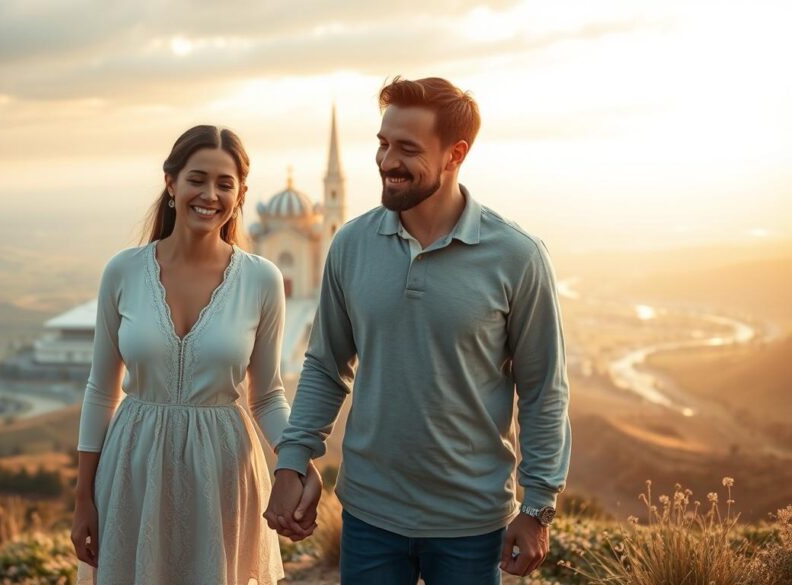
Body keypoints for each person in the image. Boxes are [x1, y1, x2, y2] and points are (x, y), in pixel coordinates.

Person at [264, 77, 572, 584]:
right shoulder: (351, 244)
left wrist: (538, 507)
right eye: (384, 143)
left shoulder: (517, 256)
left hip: (472, 522)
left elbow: (543, 389)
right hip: (368, 514)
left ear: (456, 154)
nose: (387, 161)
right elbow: (325, 365)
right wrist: (293, 460)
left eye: (407, 148)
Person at [72, 125, 323, 585]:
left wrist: (297, 462)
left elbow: (266, 396)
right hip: (133, 466)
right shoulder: (123, 270)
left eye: (224, 184)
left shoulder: (262, 280)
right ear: (171, 183)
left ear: (241, 194)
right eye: (197, 179)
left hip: (223, 470)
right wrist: (83, 496)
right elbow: (99, 389)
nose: (210, 194)